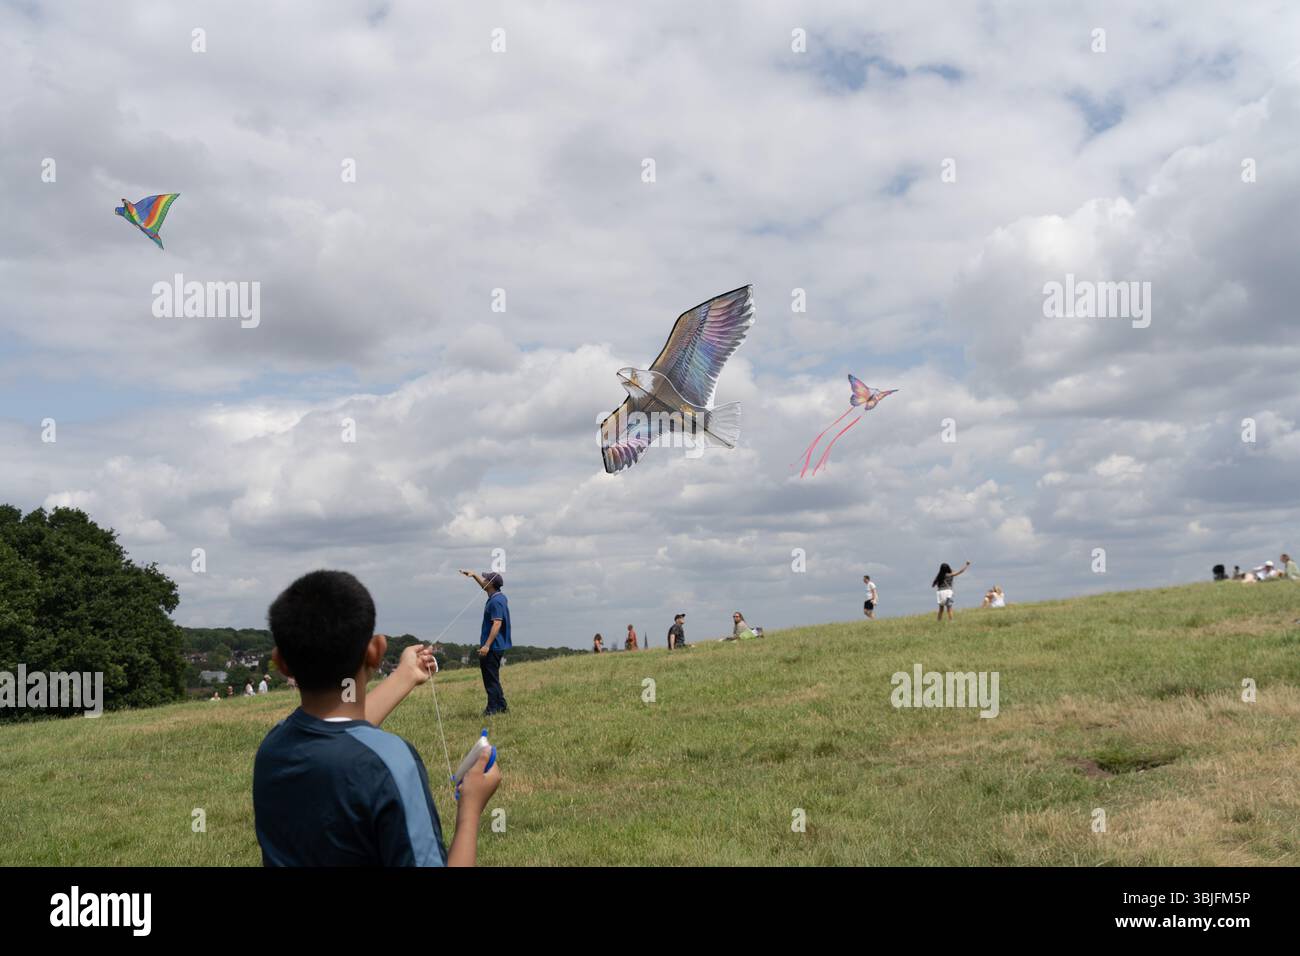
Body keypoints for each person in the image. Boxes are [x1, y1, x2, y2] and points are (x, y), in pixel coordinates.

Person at [253, 569, 499, 866]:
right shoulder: (391, 763)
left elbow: (339, 731)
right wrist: (470, 809)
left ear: (281, 663)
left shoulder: (273, 749)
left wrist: (405, 676)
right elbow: (349, 738)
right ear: (377, 651)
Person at [460, 570, 511, 716]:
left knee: (490, 680)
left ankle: (492, 709)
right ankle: (501, 706)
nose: (484, 581)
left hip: (492, 646)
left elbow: (497, 623)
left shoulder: (496, 601)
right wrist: (473, 575)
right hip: (495, 645)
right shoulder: (498, 597)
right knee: (493, 678)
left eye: (486, 579)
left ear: (491, 584)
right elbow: (484, 587)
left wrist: (487, 645)